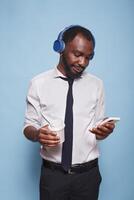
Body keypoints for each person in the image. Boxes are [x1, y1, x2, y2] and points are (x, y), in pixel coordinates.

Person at [23, 25, 115, 200]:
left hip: (88, 176)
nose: (83, 63)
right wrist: (37, 134)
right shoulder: (38, 83)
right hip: (53, 177)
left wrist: (104, 131)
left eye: (88, 57)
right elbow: (29, 126)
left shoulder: (97, 85)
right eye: (78, 54)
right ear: (60, 48)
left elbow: (97, 127)